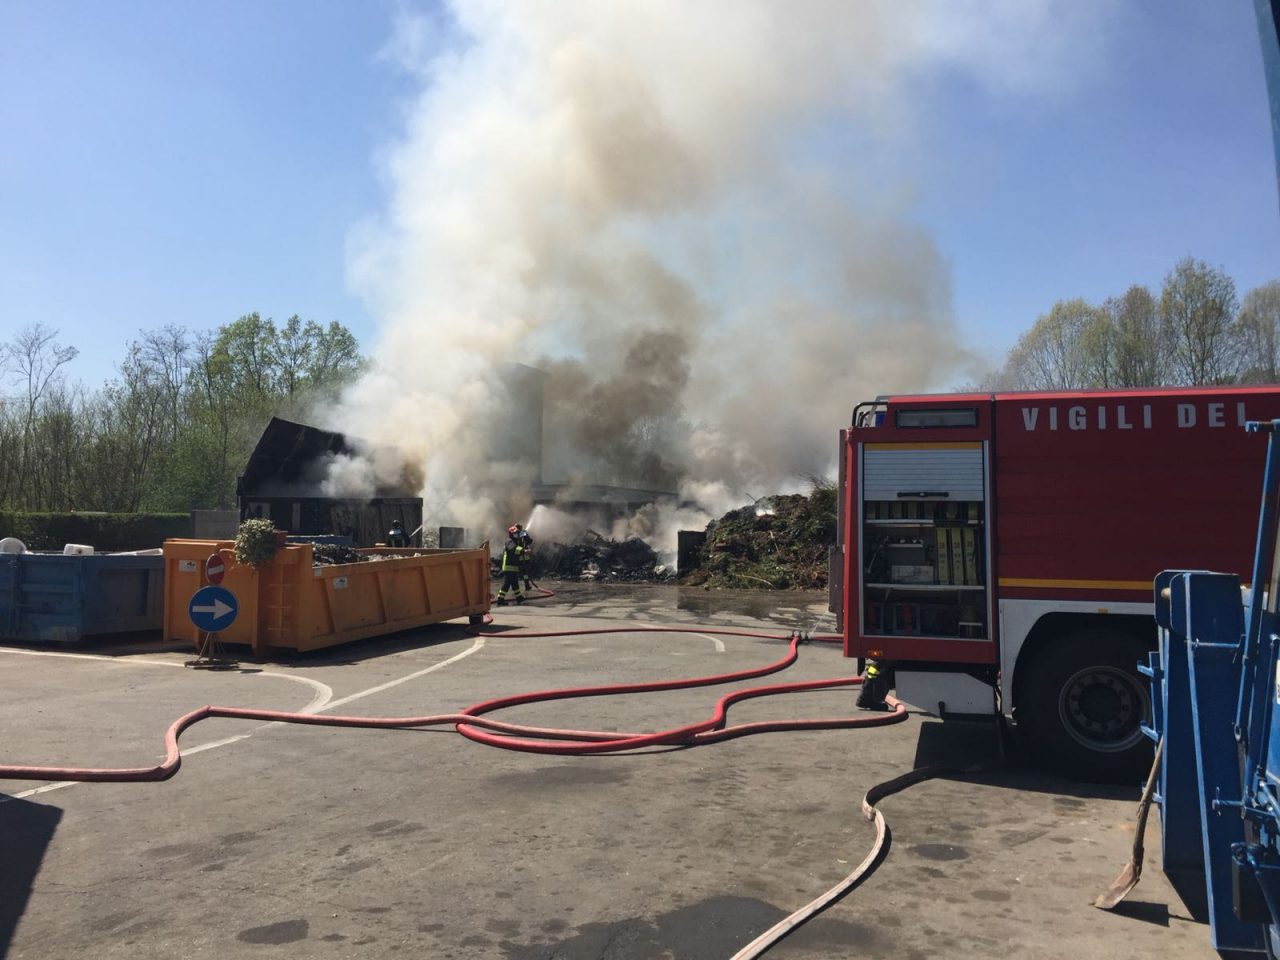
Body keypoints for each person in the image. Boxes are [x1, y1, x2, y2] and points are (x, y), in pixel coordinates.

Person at [495, 525, 526, 605]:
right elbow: (514, 550)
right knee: (507, 584)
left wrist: (522, 537)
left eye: (517, 533)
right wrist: (523, 551)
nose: (517, 534)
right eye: (515, 533)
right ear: (511, 534)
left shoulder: (515, 541)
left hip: (513, 566)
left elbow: (519, 546)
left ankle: (519, 597)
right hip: (509, 566)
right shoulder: (509, 541)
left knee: (515, 583)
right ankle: (500, 599)